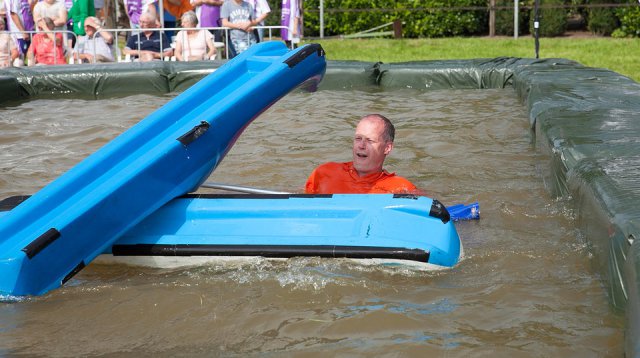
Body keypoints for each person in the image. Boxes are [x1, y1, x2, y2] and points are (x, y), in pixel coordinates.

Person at [305, 114, 419, 194]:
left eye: (370, 140)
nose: (361, 145)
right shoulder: (323, 174)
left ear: (387, 148)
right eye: (358, 138)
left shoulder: (401, 189)